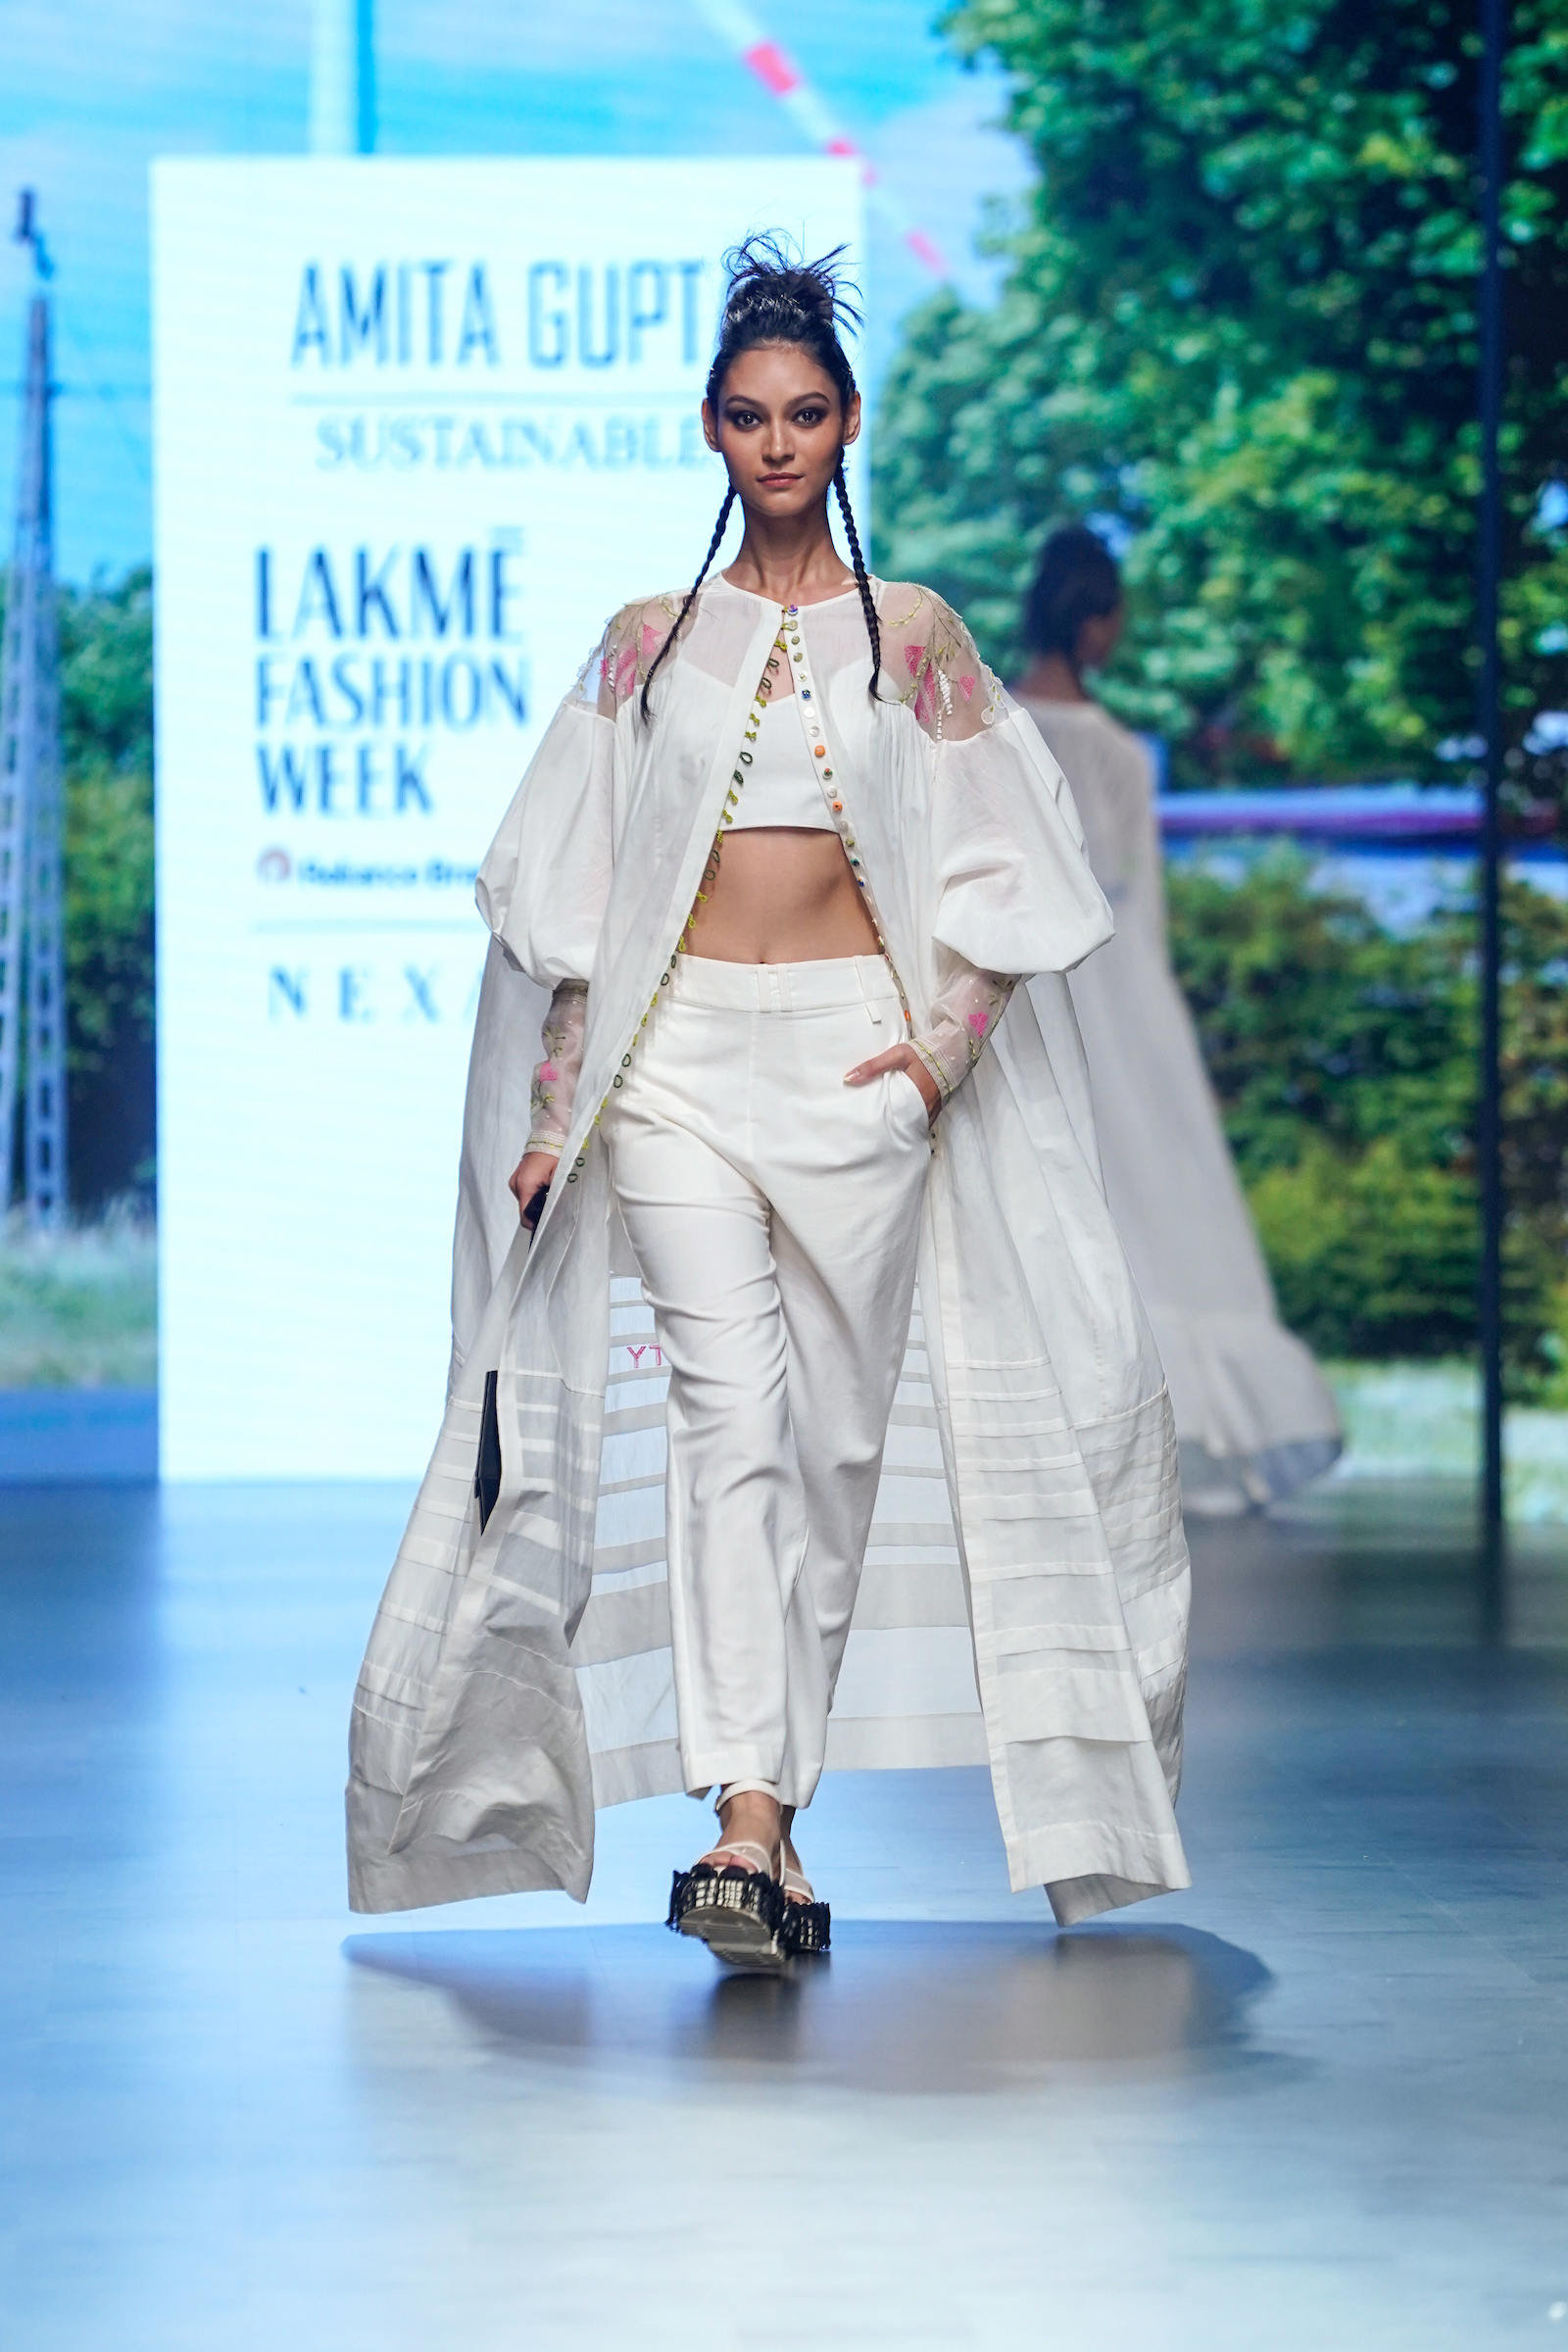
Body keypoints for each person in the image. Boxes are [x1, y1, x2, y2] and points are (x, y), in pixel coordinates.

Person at [347, 246, 1192, 1969]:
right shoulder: (645, 647)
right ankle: (742, 1816)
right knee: (734, 1416)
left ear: (850, 424)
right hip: (672, 1067)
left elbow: (1012, 883)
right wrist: (554, 1108)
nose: (780, 442)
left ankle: (781, 1831)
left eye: (808, 413)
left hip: (856, 1064)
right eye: (749, 416)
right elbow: (584, 901)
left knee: (834, 1446)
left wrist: (937, 1055)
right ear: (712, 432)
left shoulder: (920, 642)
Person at [1012, 526, 1342, 1513]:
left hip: (1020, 988)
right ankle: (1176, 1422)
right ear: (1097, 622)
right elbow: (1136, 901)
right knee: (1149, 1194)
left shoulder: (993, 731)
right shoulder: (1115, 751)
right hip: (1113, 988)